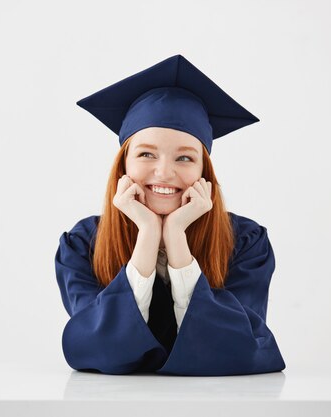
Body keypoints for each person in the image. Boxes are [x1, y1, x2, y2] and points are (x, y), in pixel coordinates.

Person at [55, 54, 286, 376]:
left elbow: (240, 349)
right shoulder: (84, 243)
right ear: (123, 164)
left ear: (204, 171)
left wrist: (176, 237)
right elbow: (96, 348)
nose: (164, 172)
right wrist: (148, 234)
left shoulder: (245, 242)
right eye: (146, 154)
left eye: (185, 158)